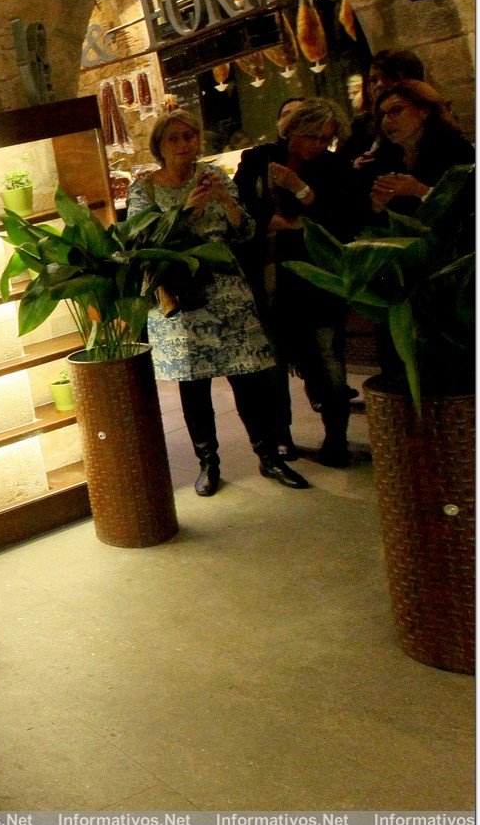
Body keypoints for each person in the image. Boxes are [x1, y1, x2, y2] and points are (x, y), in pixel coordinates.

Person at [129, 110, 310, 497]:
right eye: (174, 139)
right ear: (159, 146)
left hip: (227, 291)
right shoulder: (144, 188)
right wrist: (188, 209)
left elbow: (245, 230)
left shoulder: (215, 176)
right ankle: (208, 463)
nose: (184, 145)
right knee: (195, 385)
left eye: (190, 137)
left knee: (249, 377)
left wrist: (226, 203)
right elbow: (142, 239)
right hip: (181, 295)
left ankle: (268, 458)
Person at [234, 99, 364, 467]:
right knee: (272, 363)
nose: (317, 146)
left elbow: (341, 221)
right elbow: (238, 209)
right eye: (311, 137)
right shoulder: (258, 158)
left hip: (316, 281)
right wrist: (272, 223)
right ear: (292, 130)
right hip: (268, 276)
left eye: (325, 139)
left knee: (327, 359)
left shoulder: (335, 167)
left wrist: (301, 190)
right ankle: (282, 438)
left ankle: (336, 437)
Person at [362, 80, 475, 215]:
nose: (386, 121)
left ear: (424, 111)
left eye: (396, 110)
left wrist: (419, 190)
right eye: (382, 115)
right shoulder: (385, 158)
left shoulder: (455, 149)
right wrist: (377, 205)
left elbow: (468, 206)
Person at [340, 50, 425, 165]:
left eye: (390, 76)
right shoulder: (363, 125)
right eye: (373, 80)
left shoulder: (429, 121)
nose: (379, 85)